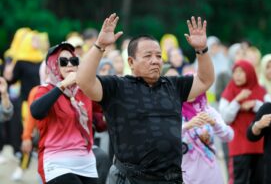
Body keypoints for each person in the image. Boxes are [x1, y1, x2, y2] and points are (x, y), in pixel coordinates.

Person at [76, 13, 214, 184]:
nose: (155, 61)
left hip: (171, 178)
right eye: (148, 56)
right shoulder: (117, 87)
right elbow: (83, 81)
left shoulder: (173, 85)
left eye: (158, 56)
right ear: (131, 62)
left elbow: (205, 80)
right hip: (130, 179)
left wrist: (202, 50)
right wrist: (99, 46)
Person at [30, 43, 98, 184]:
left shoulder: (84, 90)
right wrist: (62, 85)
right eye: (63, 61)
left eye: (73, 61)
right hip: (57, 161)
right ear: (53, 65)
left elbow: (100, 120)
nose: (69, 65)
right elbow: (36, 112)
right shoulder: (46, 90)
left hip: (86, 160)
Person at [219, 60, 271, 184]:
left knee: (260, 180)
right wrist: (237, 100)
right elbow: (225, 118)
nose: (237, 75)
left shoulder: (261, 90)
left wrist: (255, 104)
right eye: (235, 72)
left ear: (250, 73)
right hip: (239, 146)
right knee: (239, 180)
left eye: (241, 72)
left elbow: (270, 112)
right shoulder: (229, 91)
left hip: (260, 145)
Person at [181, 91, 233, 184]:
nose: (191, 90)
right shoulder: (175, 113)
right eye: (187, 87)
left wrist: (214, 124)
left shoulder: (207, 110)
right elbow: (167, 140)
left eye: (195, 86)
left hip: (211, 173)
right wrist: (187, 126)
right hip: (187, 175)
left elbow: (229, 136)